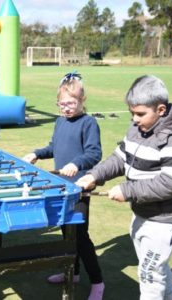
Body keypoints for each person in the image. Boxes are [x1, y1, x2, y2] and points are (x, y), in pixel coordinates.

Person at [75, 75, 172, 300]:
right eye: (132, 113)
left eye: (140, 114)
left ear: (161, 110)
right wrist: (94, 175)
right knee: (155, 269)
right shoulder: (138, 128)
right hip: (144, 211)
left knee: (149, 274)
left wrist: (128, 191)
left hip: (167, 218)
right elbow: (120, 157)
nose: (134, 119)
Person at [23, 71, 105, 300]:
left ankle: (98, 282)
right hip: (61, 188)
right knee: (65, 231)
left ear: (82, 101)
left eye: (71, 103)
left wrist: (76, 164)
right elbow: (54, 146)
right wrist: (36, 153)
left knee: (79, 234)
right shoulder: (60, 121)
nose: (67, 108)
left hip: (80, 189)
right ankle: (74, 272)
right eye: (62, 104)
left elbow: (94, 153)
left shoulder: (88, 123)